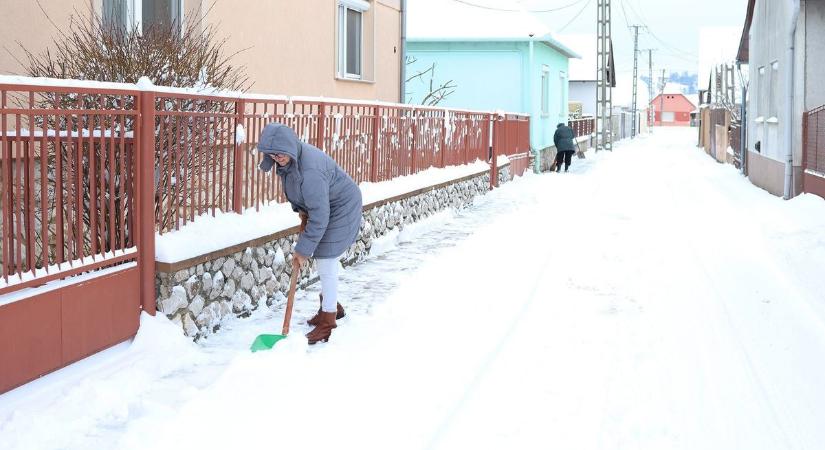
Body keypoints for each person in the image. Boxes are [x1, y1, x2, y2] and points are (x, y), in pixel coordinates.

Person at [258, 123, 363, 344]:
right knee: (323, 256)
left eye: (280, 153)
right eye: (272, 154)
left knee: (326, 257)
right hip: (324, 206)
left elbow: (321, 214)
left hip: (341, 207)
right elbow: (304, 196)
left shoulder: (310, 170)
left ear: (289, 147)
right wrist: (303, 214)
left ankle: (328, 320)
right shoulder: (291, 161)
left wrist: (303, 249)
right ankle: (333, 306)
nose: (277, 158)